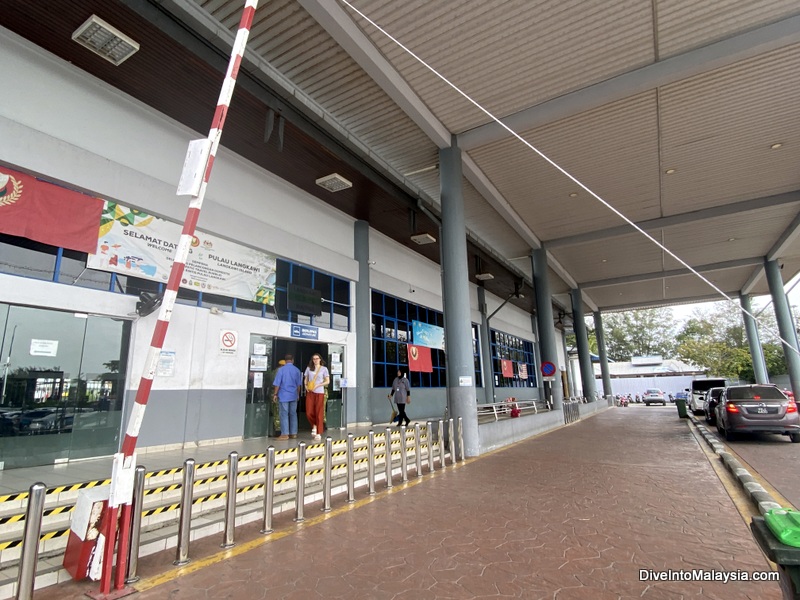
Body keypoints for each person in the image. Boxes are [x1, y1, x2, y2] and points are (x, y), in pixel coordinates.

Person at [272, 355, 302, 441]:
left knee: (284, 414)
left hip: (284, 395)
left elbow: (277, 384)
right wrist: (298, 394)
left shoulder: (281, 370)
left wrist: (275, 394)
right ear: (292, 360)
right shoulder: (297, 370)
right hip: (293, 395)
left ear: (285, 361)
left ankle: (285, 434)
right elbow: (298, 385)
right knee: (293, 414)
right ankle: (294, 433)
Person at [304, 354, 330, 441]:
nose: (315, 360)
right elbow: (306, 378)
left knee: (319, 412)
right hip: (310, 392)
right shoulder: (309, 368)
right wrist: (305, 385)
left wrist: (319, 385)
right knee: (309, 412)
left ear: (320, 359)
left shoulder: (324, 369)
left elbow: (327, 381)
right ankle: (314, 425)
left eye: (317, 358)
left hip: (320, 392)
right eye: (313, 359)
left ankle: (318, 432)